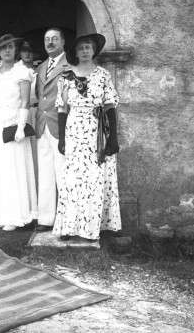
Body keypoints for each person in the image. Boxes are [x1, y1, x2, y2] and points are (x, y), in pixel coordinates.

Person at [53, 33, 121, 242]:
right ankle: (69, 228)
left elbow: (109, 106)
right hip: (74, 129)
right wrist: (62, 139)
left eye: (88, 48)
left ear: (94, 51)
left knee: (94, 177)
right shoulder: (66, 77)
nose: (85, 51)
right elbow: (62, 109)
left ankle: (92, 229)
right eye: (81, 48)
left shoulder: (103, 75)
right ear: (75, 52)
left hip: (97, 130)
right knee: (73, 179)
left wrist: (113, 138)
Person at [0, 34, 37, 231]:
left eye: (10, 47)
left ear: (16, 49)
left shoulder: (22, 71)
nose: (7, 51)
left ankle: (14, 216)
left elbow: (25, 101)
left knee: (14, 166)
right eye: (3, 48)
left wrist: (21, 126)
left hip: (14, 120)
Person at [34, 27, 69, 232]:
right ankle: (46, 219)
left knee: (62, 172)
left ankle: (65, 219)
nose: (50, 42)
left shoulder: (69, 66)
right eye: (47, 39)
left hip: (59, 124)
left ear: (63, 42)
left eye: (55, 39)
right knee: (45, 172)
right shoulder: (41, 67)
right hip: (42, 124)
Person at [19, 40, 39, 182]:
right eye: (24, 51)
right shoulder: (16, 70)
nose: (27, 53)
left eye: (30, 51)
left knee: (36, 150)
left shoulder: (39, 71)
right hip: (20, 114)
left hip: (36, 112)